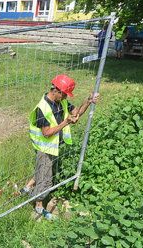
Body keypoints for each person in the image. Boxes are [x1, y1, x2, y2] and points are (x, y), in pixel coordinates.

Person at [25, 74, 99, 220]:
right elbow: (46, 133)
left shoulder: (61, 102)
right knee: (46, 180)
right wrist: (66, 122)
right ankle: (37, 205)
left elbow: (76, 113)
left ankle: (27, 188)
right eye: (64, 95)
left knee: (44, 171)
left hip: (53, 147)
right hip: (45, 148)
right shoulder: (42, 108)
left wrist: (88, 101)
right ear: (56, 91)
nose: (66, 98)